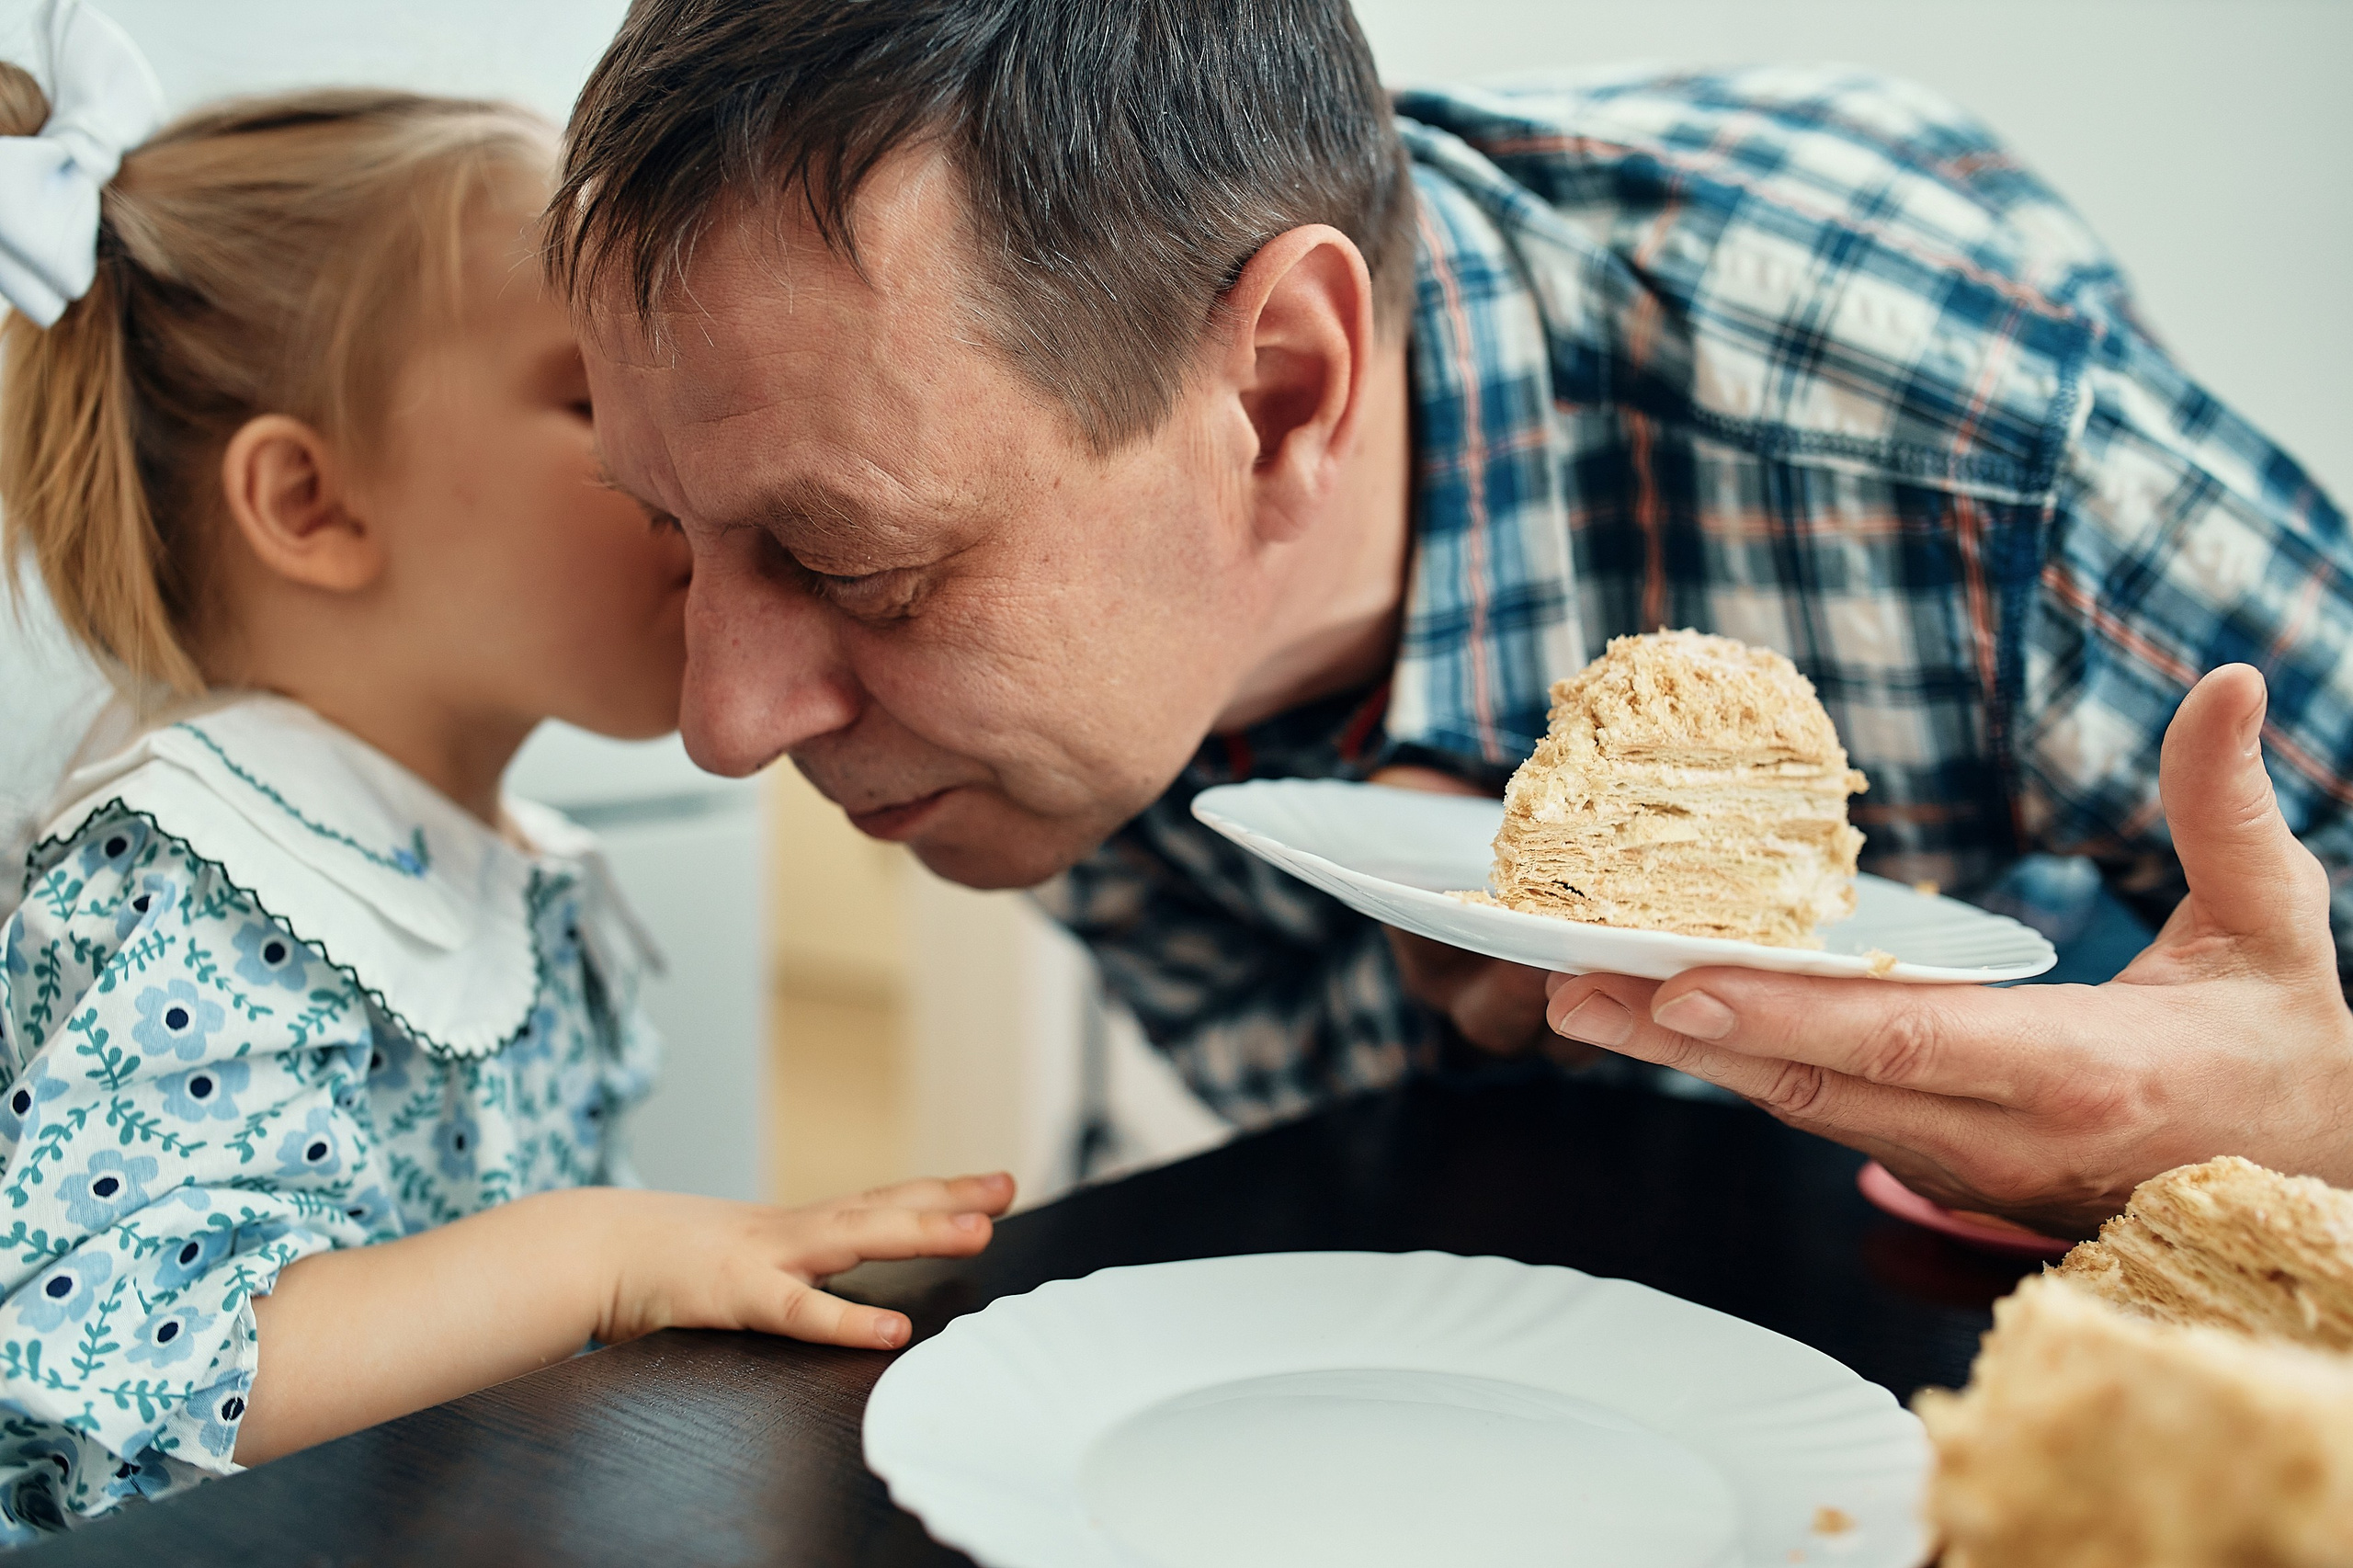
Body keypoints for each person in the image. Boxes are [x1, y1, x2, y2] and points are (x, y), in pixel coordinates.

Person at [555, 0, 2353, 1233]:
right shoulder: (1026, 710)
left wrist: (2312, 1137)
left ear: (1273, 395)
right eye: (672, 536)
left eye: (855, 568)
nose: (722, 719)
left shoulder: (1962, 431)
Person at [0, 6, 1010, 1539]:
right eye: (592, 391)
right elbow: (124, 1360)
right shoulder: (194, 870)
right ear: (312, 502)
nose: (677, 451)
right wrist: (597, 1257)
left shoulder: (491, 867)